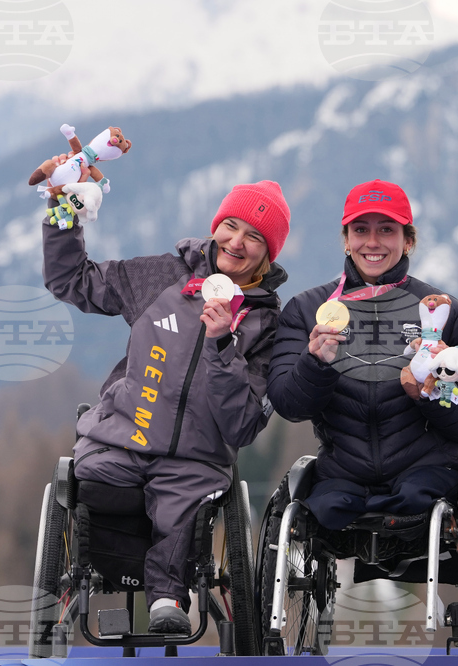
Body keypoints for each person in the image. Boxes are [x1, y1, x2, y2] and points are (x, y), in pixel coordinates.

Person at [42, 177, 290, 634]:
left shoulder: (268, 327)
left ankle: (167, 599)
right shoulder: (162, 276)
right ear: (216, 226)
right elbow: (71, 279)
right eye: (230, 226)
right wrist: (64, 213)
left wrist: (223, 349)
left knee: (183, 512)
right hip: (120, 438)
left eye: (254, 236)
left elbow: (242, 425)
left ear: (268, 251)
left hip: (196, 459)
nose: (237, 242)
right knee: (94, 482)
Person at [267, 179, 458, 533]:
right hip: (343, 476)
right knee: (322, 508)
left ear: (409, 240)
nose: (372, 242)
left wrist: (432, 390)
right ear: (346, 239)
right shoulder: (308, 309)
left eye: (386, 230)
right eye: (360, 230)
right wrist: (316, 364)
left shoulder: (441, 311)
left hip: (428, 473)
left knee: (416, 498)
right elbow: (288, 405)